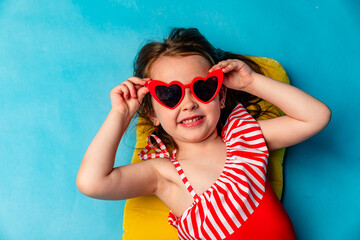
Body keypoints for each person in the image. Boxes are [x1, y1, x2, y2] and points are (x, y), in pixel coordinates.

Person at [76, 28, 331, 239]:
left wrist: (252, 82)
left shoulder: (245, 137)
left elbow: (316, 117)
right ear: (152, 115)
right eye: (170, 94)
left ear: (220, 97)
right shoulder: (163, 173)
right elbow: (92, 182)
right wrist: (120, 114)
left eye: (202, 88)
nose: (188, 103)